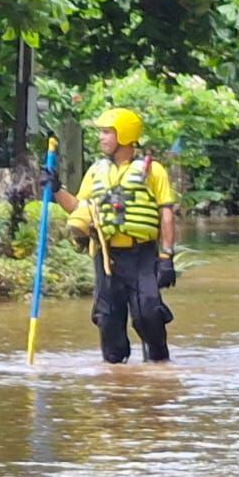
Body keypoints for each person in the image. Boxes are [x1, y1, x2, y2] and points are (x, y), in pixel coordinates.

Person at [52, 106, 178, 364]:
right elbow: (77, 207)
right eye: (101, 132)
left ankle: (159, 366)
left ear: (125, 134)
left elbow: (166, 213)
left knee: (148, 312)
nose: (101, 138)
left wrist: (166, 256)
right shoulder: (96, 171)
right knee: (107, 318)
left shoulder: (153, 171)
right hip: (107, 256)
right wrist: (55, 189)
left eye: (107, 132)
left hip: (142, 254)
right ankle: (115, 377)